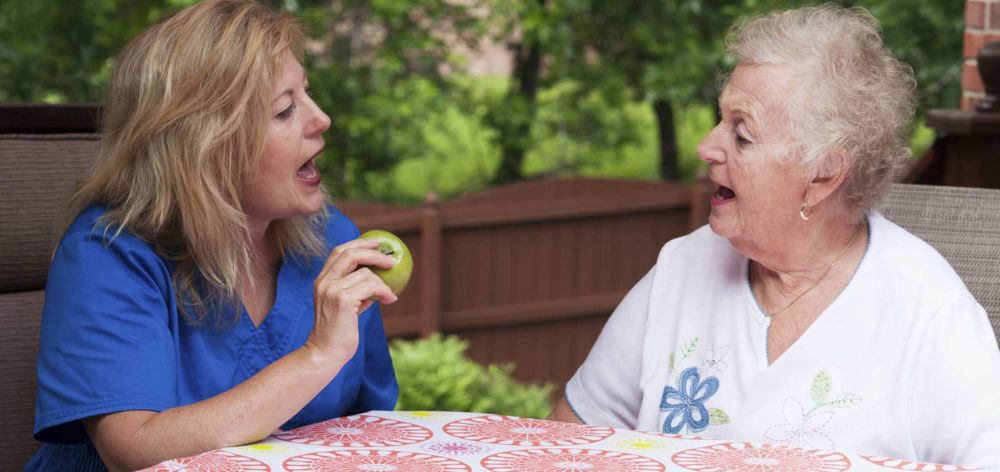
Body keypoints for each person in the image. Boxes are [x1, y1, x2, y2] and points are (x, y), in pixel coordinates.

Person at [548, 5, 1000, 470]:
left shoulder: (929, 315)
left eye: (741, 134)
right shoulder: (681, 269)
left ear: (823, 175)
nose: (706, 146)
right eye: (720, 119)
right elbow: (570, 438)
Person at [26, 1, 400, 470]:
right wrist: (316, 357)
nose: (321, 118)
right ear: (205, 144)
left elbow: (370, 429)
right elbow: (132, 449)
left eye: (307, 94)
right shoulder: (107, 251)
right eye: (285, 110)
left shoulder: (332, 240)